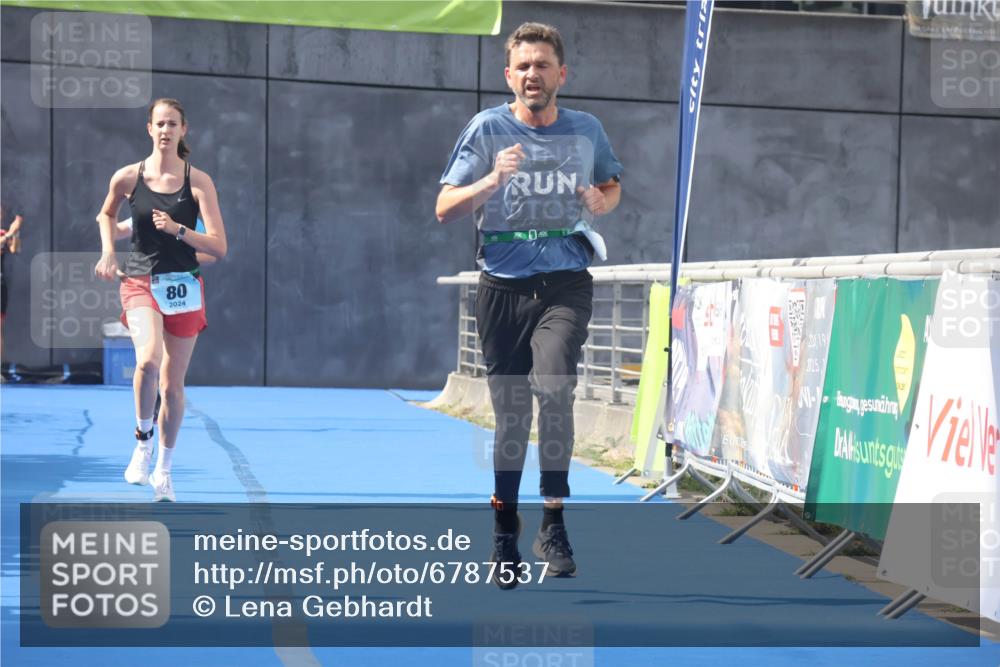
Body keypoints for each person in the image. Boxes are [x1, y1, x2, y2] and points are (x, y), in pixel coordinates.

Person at [436, 22, 622, 588]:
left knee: (556, 384)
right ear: (508, 76)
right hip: (501, 288)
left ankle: (554, 522)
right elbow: (445, 205)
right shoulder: (486, 129)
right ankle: (502, 533)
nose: (532, 75)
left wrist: (599, 198)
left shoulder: (586, 130)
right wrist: (492, 179)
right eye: (523, 66)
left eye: (543, 65)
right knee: (513, 413)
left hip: (565, 281)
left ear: (561, 75)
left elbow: (611, 187)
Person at [95, 98, 227, 502]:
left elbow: (219, 247)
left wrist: (178, 230)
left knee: (172, 387)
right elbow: (105, 216)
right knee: (148, 359)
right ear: (149, 129)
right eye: (160, 123)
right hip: (139, 281)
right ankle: (142, 440)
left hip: (184, 286)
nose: (166, 130)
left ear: (183, 130)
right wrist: (107, 251)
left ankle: (164, 472)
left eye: (173, 124)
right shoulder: (128, 177)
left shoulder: (199, 182)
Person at [0, 205, 24, 361]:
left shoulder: (3, 233)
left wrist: (15, 233)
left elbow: (16, 249)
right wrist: (10, 232)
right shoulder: (4, 235)